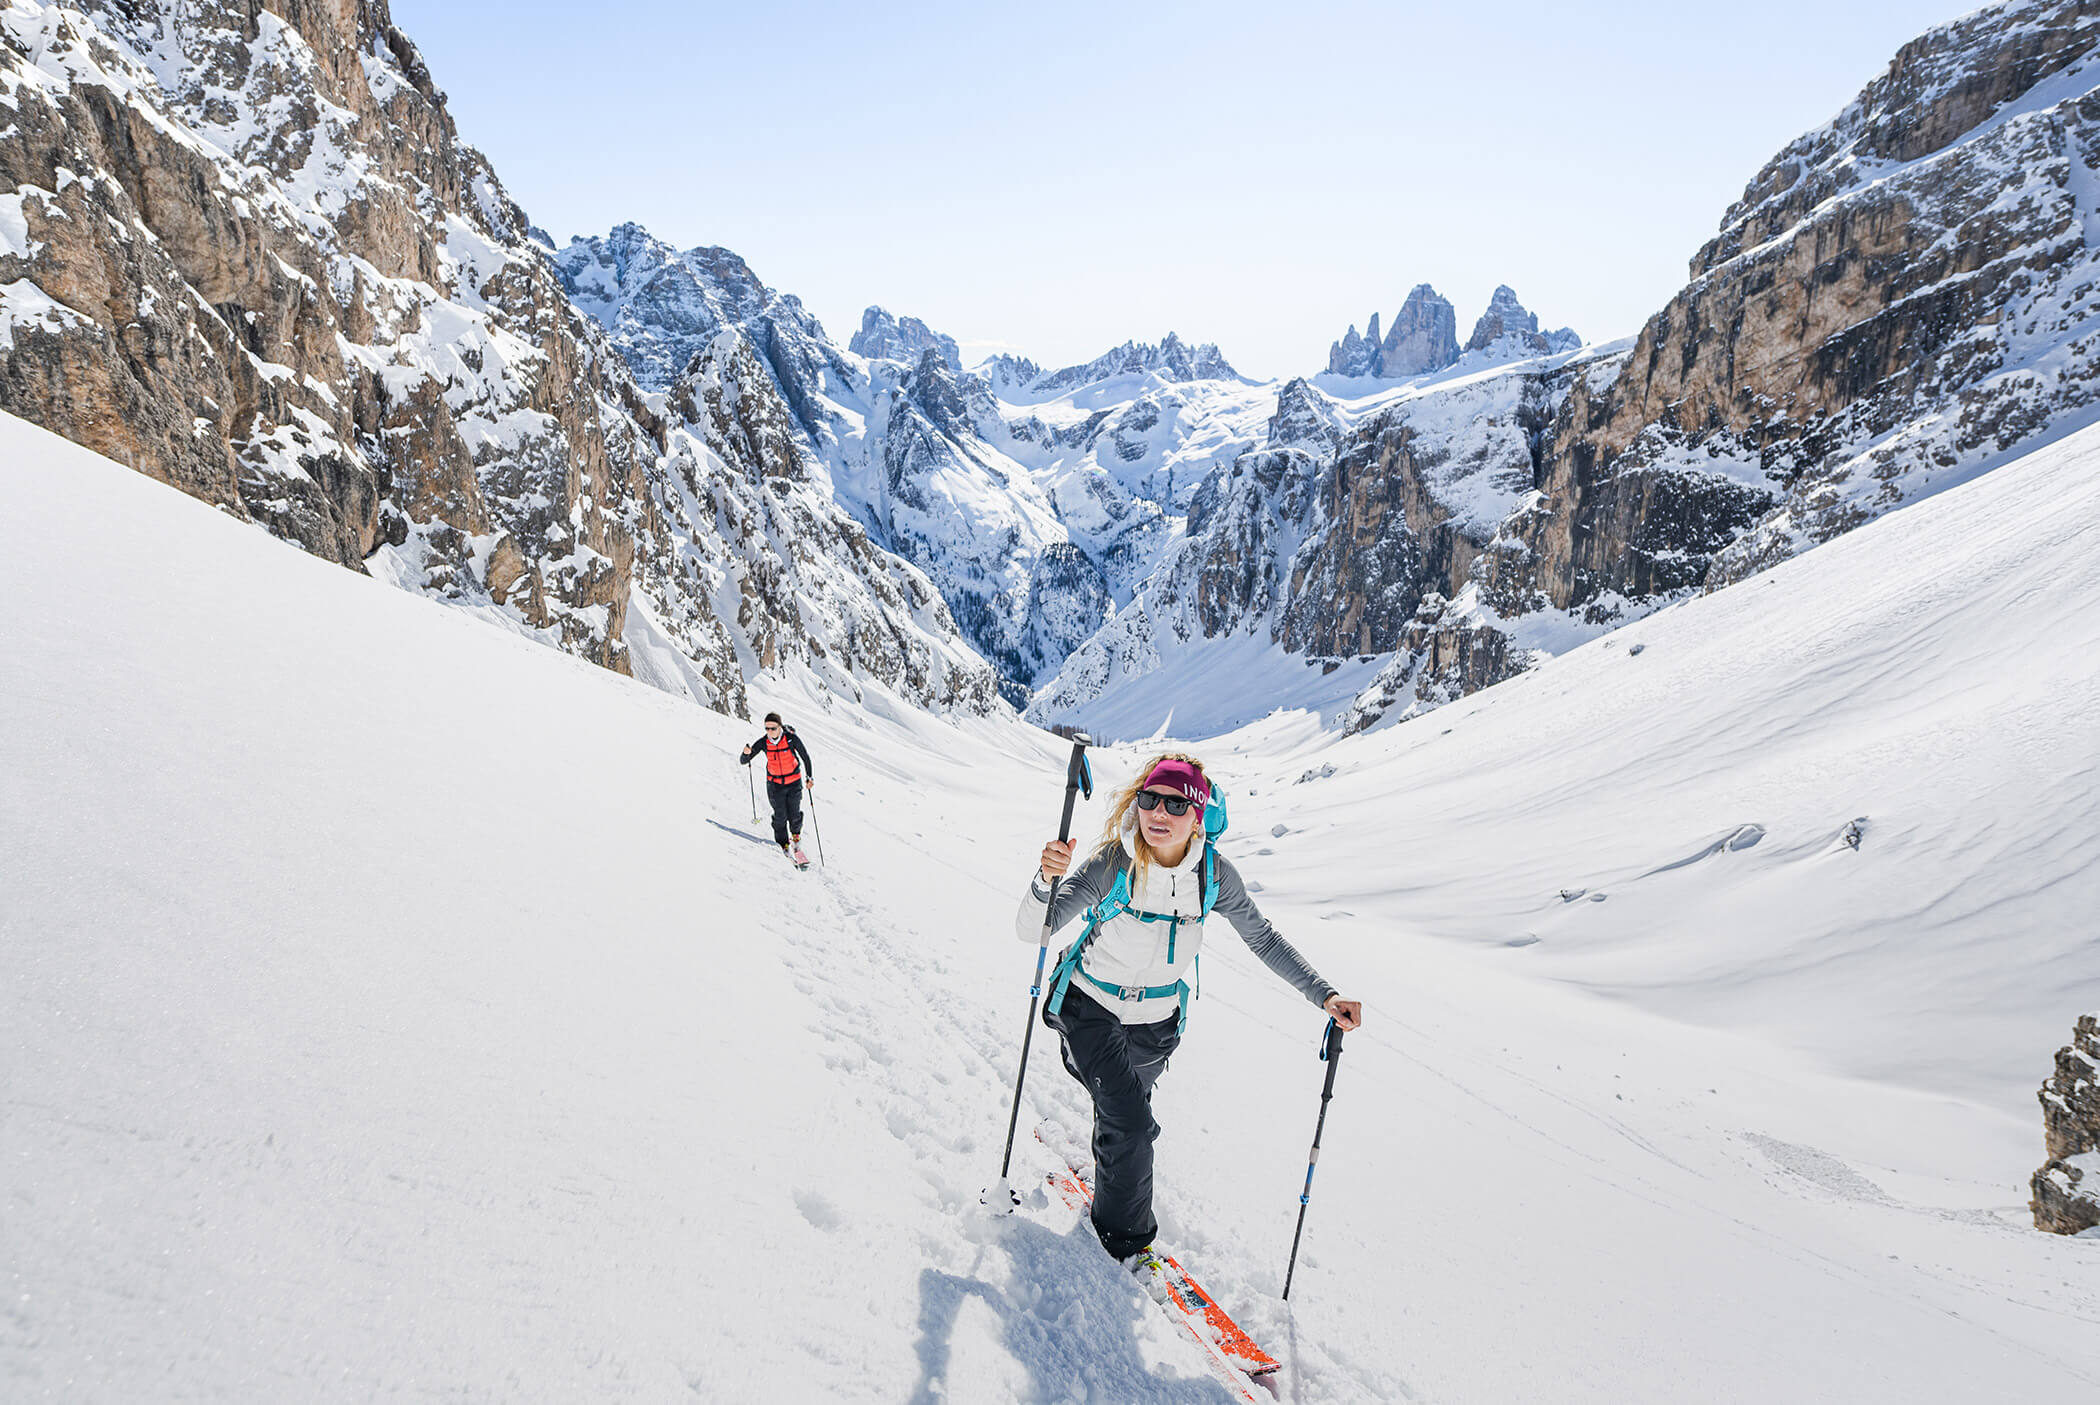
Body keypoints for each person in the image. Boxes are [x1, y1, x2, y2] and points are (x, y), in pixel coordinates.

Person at [1021, 752, 1362, 1265]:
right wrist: (1046, 882)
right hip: (1089, 1007)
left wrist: (1324, 995)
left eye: (1176, 804)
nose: (1158, 813)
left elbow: (1263, 940)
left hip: (1156, 1023)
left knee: (1122, 1109)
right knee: (1132, 1123)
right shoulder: (1114, 863)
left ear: (1198, 816)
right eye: (1149, 800)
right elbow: (1034, 930)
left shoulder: (1214, 876)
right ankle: (1124, 1242)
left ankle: (1112, 1151)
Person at [739, 712, 814, 864]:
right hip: (775, 785)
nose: (770, 732)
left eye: (773, 728)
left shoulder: (791, 739)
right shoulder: (763, 742)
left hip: (793, 783)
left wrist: (809, 777)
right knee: (780, 816)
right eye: (767, 728)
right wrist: (745, 753)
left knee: (794, 814)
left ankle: (796, 838)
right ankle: (783, 844)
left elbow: (805, 757)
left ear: (780, 727)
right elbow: (744, 761)